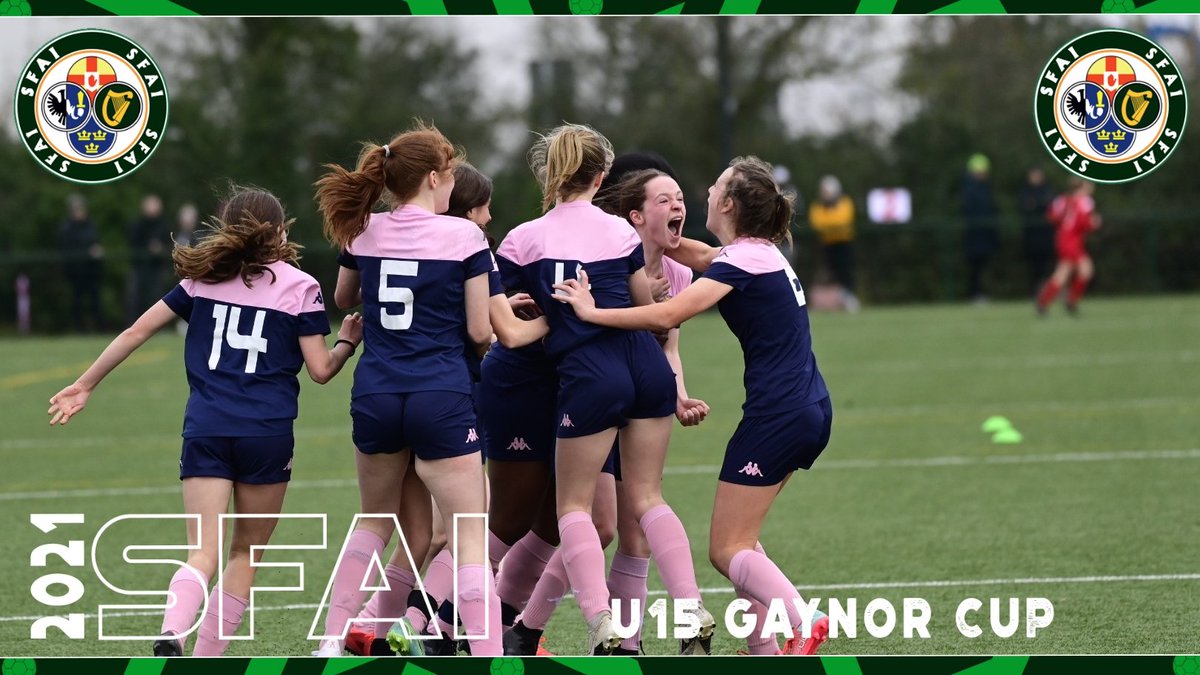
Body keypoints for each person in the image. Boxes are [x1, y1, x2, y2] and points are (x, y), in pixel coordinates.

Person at [47, 188, 363, 657]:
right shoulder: (302, 286)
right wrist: (347, 342)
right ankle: (205, 659)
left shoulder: (202, 280)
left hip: (207, 428)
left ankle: (173, 630)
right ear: (279, 231)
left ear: (228, 227)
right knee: (245, 554)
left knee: (202, 551)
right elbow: (320, 372)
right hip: (266, 434)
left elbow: (137, 331)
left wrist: (87, 383)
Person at [553, 156, 834, 656]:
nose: (703, 190)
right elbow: (700, 255)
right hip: (806, 408)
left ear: (727, 203)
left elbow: (669, 312)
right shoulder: (756, 252)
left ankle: (803, 618)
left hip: (777, 416)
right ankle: (764, 648)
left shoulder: (743, 261)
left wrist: (592, 311)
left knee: (726, 550)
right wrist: (654, 238)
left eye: (715, 185)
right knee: (744, 539)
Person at [314, 123, 545, 657]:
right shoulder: (464, 237)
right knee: (467, 533)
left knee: (379, 522)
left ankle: (331, 642)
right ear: (436, 177)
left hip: (376, 393)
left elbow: (344, 296)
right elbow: (481, 332)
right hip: (440, 394)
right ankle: (489, 657)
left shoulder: (365, 229)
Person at [495, 123, 713, 656]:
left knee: (573, 507)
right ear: (600, 176)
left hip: (590, 374)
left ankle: (601, 623)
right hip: (645, 365)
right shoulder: (619, 232)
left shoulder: (523, 238)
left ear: (552, 174)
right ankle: (691, 611)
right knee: (648, 497)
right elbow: (645, 305)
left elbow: (498, 313)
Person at [1037, 179, 1101, 316]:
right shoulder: (1085, 201)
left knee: (1063, 273)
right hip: (1072, 242)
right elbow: (1085, 223)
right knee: (1085, 270)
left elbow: (1051, 216)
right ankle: (1070, 302)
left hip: (1062, 239)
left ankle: (1044, 303)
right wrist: (1094, 223)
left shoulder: (1061, 200)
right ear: (1082, 187)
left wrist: (1063, 222)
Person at [807, 175, 859, 312]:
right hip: (826, 245)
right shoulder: (818, 206)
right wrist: (832, 224)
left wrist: (829, 224)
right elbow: (817, 223)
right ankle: (832, 302)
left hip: (844, 243)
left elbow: (843, 220)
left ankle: (848, 297)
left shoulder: (845, 202)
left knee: (846, 271)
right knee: (829, 273)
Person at [58, 194, 105, 332]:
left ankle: (99, 329)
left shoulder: (91, 225)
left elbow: (95, 242)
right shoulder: (66, 228)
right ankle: (79, 328)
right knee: (77, 302)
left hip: (92, 272)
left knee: (95, 301)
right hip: (76, 272)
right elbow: (67, 249)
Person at [961, 153, 999, 304]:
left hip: (985, 235)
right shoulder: (969, 190)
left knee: (983, 266)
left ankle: (980, 293)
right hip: (975, 235)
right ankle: (975, 294)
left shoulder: (986, 189)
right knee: (975, 267)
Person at [127, 193, 170, 323]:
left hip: (156, 269)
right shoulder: (137, 225)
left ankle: (156, 324)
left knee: (156, 298)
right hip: (139, 267)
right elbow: (133, 243)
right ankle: (132, 324)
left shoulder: (163, 225)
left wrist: (159, 249)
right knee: (135, 298)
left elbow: (168, 244)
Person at [1017, 167, 1056, 296]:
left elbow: (1050, 207)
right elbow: (1026, 207)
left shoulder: (1047, 190)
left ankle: (1046, 291)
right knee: (1033, 265)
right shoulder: (1025, 191)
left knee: (1047, 265)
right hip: (1031, 236)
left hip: (1045, 235)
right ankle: (1036, 291)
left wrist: (1035, 205)